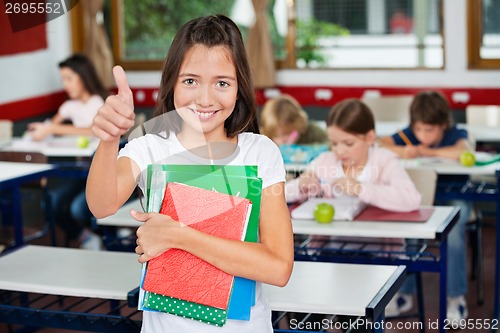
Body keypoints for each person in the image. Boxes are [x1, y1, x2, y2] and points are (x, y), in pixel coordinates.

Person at [86, 14, 294, 332]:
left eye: (222, 83)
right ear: (172, 82)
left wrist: (178, 236)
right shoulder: (149, 146)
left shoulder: (259, 152)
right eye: (190, 81)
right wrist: (109, 138)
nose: (205, 99)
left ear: (240, 88)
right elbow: (101, 205)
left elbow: (278, 268)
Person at [379, 90, 471, 322]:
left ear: (443, 125)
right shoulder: (409, 134)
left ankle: (455, 298)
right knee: (408, 233)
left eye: (429, 130)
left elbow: (464, 151)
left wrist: (425, 151)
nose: (422, 135)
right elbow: (380, 144)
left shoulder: (456, 133)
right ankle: (404, 292)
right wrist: (403, 150)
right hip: (419, 198)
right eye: (418, 129)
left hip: (454, 195)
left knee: (455, 234)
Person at [285, 98, 421, 211]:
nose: (339, 151)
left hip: (378, 242)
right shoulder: (324, 161)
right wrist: (301, 186)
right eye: (334, 143)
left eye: (348, 143)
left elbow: (412, 199)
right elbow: (283, 194)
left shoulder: (385, 162)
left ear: (369, 138)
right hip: (328, 242)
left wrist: (360, 189)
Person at [30, 54, 108, 250]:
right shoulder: (69, 106)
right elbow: (50, 125)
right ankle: (86, 237)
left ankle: (105, 239)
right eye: (63, 79)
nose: (66, 85)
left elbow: (92, 129)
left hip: (97, 172)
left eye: (69, 78)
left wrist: (52, 130)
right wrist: (41, 130)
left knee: (77, 208)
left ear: (83, 76)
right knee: (50, 203)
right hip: (76, 170)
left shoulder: (98, 103)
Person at [260, 94, 328, 145]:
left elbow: (330, 144)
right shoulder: (262, 136)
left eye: (286, 134)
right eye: (275, 136)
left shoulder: (311, 131)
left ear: (299, 124)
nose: (281, 141)